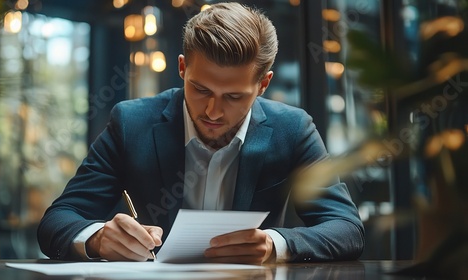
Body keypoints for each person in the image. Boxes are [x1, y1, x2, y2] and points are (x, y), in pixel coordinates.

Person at [37, 2, 364, 264]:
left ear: (263, 84)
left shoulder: (292, 129)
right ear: (182, 68)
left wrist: (275, 244)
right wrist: (96, 238)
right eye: (200, 89)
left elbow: (346, 229)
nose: (213, 112)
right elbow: (58, 220)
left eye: (233, 97)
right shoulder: (131, 122)